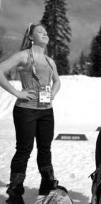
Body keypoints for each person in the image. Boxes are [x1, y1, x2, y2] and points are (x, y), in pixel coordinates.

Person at [0, 23, 61, 204]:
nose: (45, 34)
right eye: (40, 31)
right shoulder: (23, 56)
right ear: (31, 37)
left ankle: (47, 185)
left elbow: (57, 81)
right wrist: (18, 93)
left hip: (46, 111)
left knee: (45, 149)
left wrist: (52, 93)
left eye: (46, 32)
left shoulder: (51, 61)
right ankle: (15, 192)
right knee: (24, 149)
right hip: (25, 110)